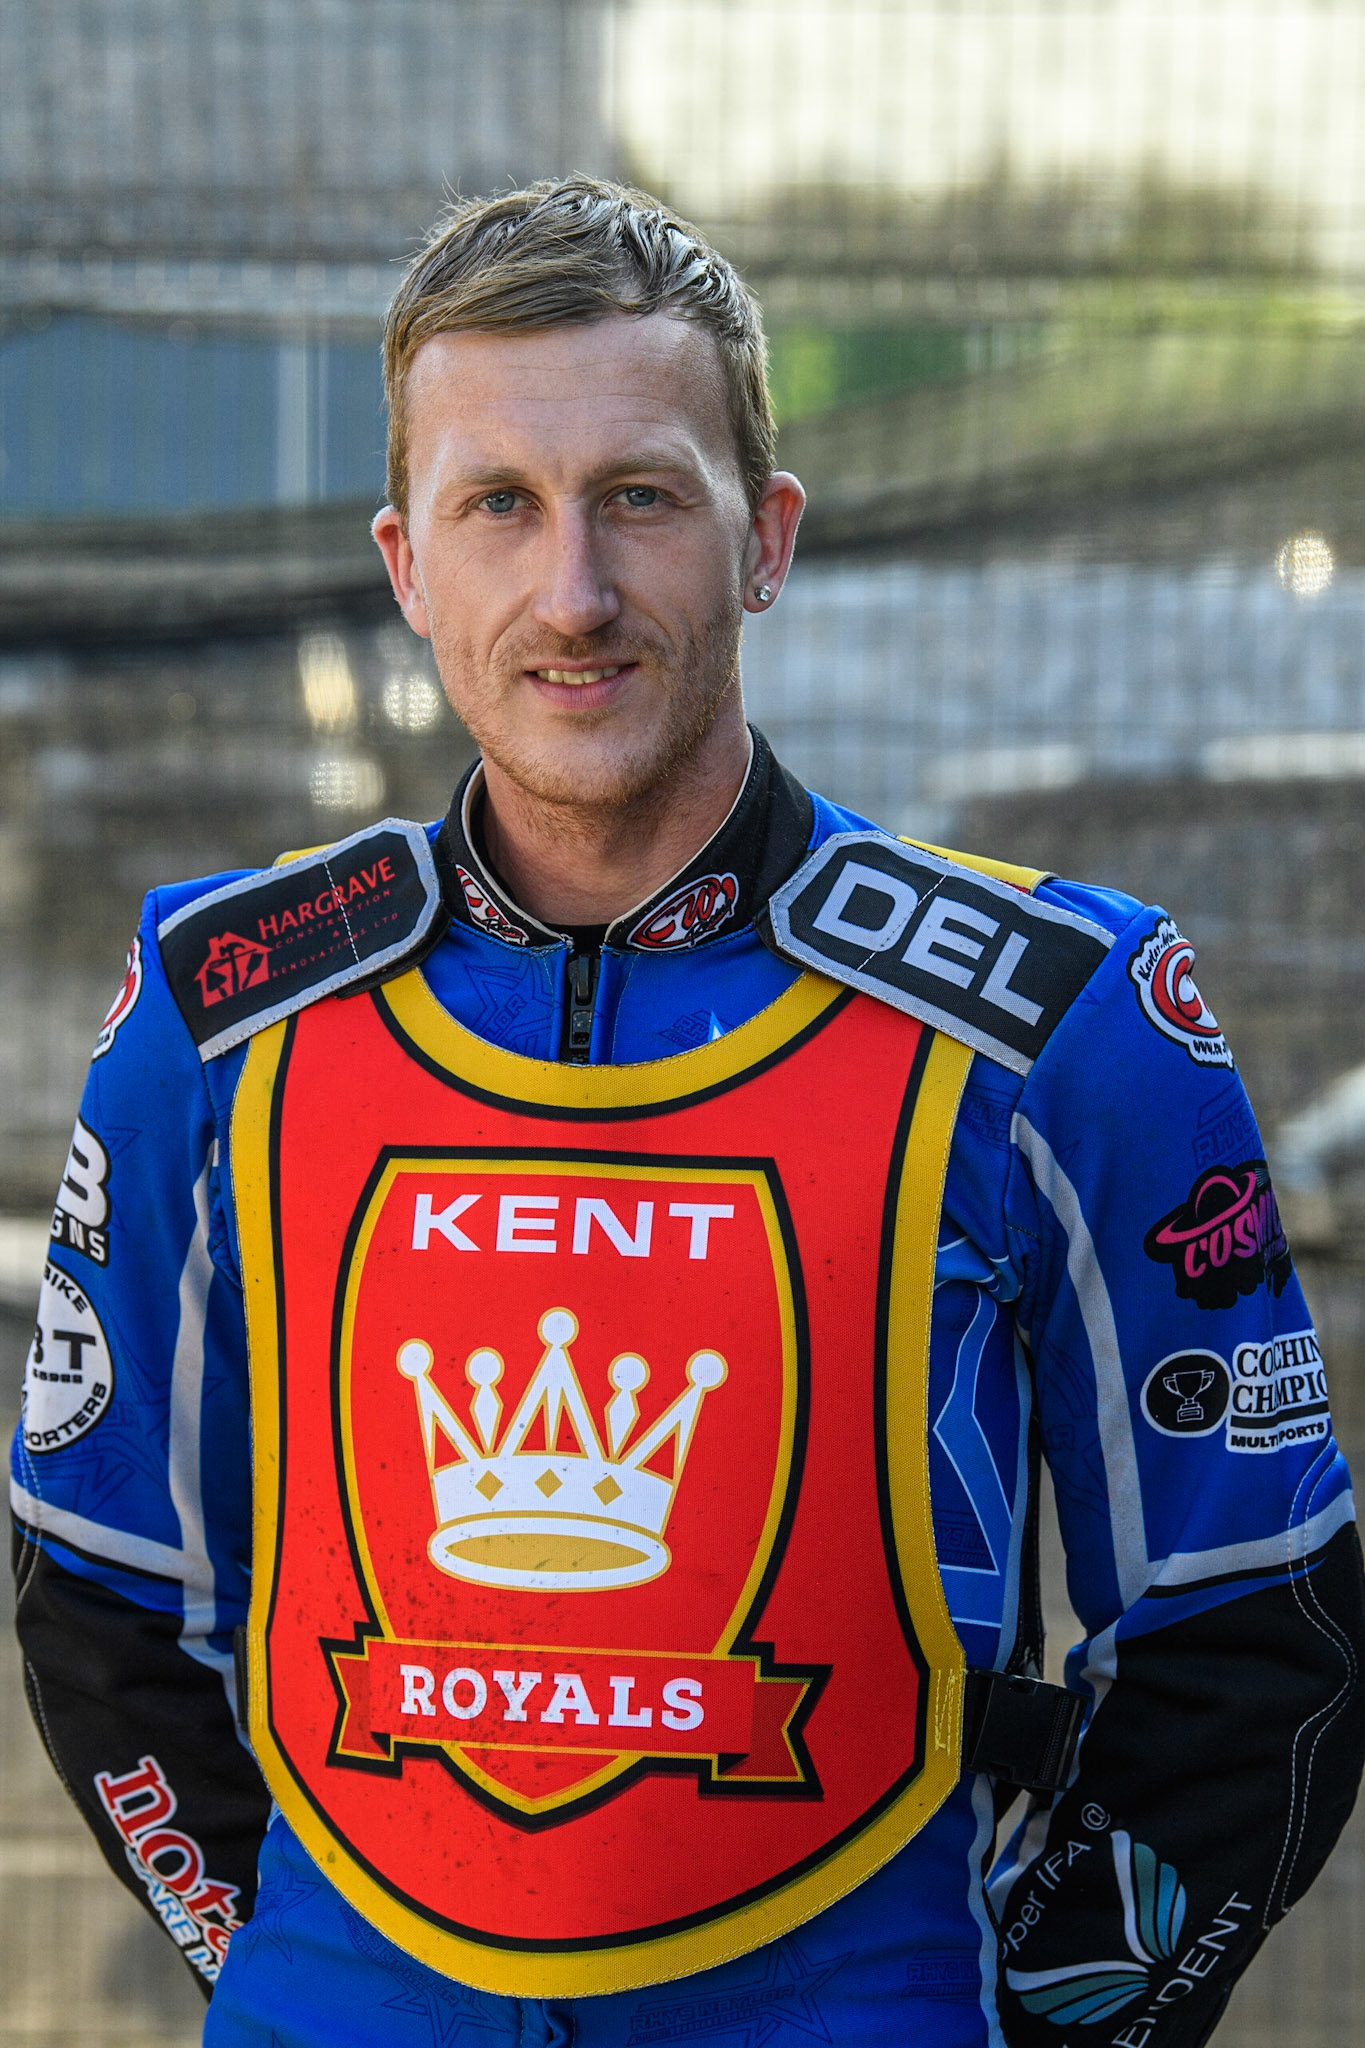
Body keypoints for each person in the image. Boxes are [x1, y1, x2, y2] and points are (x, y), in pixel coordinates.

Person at [11, 176, 1364, 2048]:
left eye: (640, 495)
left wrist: (1045, 2029)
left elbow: (1254, 1652)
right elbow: (99, 1608)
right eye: (500, 505)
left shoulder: (1058, 1024)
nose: (571, 592)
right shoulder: (220, 1015)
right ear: (406, 564)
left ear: (763, 539)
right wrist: (299, 1987)